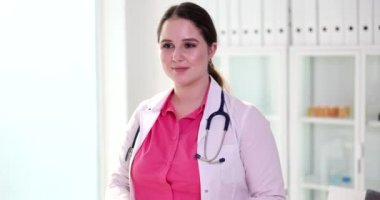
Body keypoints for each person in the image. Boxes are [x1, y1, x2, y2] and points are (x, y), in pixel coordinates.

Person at [106, 2, 285, 200]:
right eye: (167, 45)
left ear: (211, 49)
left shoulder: (246, 119)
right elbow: (118, 181)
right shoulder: (144, 114)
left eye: (189, 45)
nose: (176, 56)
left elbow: (270, 196)